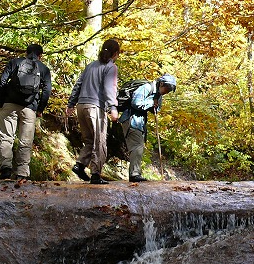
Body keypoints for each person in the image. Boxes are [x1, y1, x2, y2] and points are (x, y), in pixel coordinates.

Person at [66, 39, 120, 184]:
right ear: (115, 53)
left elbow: (78, 84)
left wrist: (71, 104)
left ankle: (80, 165)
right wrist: (113, 108)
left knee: (89, 141)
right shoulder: (111, 67)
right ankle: (96, 174)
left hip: (81, 106)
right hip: (95, 108)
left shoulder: (90, 66)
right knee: (99, 141)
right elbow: (110, 88)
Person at [0, 43, 52, 180]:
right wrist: (40, 109)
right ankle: (22, 173)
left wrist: (1, 101)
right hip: (30, 108)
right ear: (40, 56)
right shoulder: (43, 69)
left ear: (26, 53)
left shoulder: (15, 62)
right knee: (25, 141)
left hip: (9, 104)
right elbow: (47, 91)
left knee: (6, 137)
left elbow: (2, 81)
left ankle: (5, 170)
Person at [120, 74, 176, 182]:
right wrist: (151, 103)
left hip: (140, 122)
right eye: (167, 88)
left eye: (169, 90)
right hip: (132, 120)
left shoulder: (158, 94)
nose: (167, 91)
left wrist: (155, 105)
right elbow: (135, 103)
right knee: (137, 146)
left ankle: (135, 173)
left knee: (139, 146)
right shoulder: (146, 88)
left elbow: (157, 108)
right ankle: (134, 174)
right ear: (161, 83)